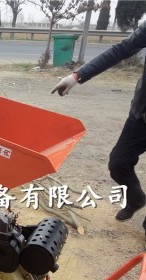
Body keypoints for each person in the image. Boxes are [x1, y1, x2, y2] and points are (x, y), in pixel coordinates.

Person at [51, 21, 146, 240]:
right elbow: (121, 49)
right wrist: (77, 76)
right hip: (142, 113)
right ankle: (136, 198)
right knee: (119, 163)